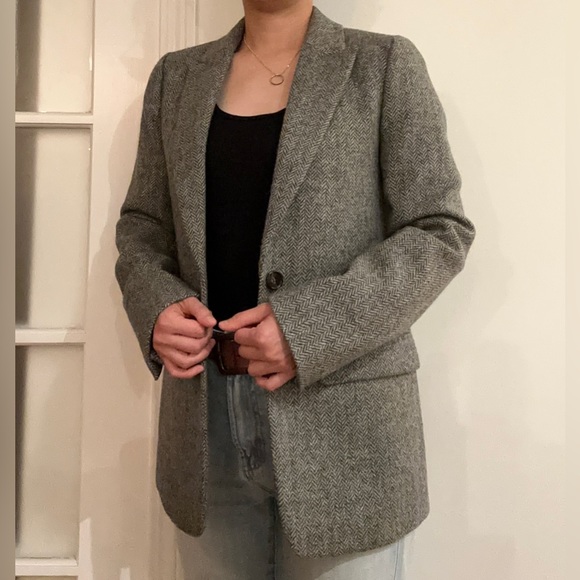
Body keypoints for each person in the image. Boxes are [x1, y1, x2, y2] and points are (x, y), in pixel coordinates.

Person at [114, 1, 476, 578]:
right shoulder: (175, 78)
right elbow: (143, 227)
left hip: (347, 434)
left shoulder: (383, 65)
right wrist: (155, 304)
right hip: (204, 432)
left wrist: (307, 331)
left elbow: (439, 230)